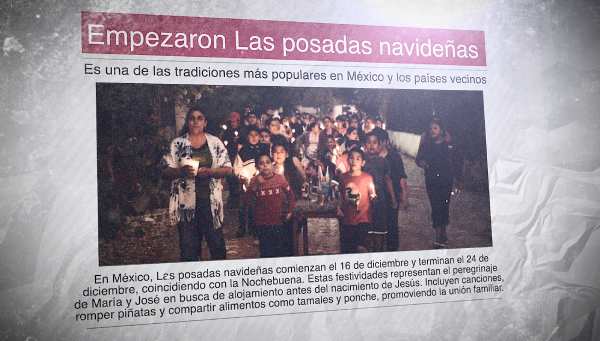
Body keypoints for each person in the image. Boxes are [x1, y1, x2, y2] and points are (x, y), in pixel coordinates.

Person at [163, 105, 232, 261]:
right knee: (188, 249)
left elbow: (228, 169)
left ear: (205, 122)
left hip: (210, 203)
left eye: (199, 118)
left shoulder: (215, 143)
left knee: (217, 246)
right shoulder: (177, 144)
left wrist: (211, 172)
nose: (195, 122)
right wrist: (182, 172)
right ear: (188, 122)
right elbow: (165, 170)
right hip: (185, 205)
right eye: (192, 118)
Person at [416, 117, 463, 248]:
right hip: (431, 180)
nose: (432, 131)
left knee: (444, 206)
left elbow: (457, 162)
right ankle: (438, 236)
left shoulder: (449, 146)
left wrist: (458, 180)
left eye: (435, 128)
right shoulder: (426, 144)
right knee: (436, 206)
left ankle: (443, 232)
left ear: (441, 130)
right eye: (430, 128)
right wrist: (422, 162)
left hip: (446, 180)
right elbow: (418, 159)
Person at [248, 153, 296, 257]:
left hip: (279, 222)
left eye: (268, 162)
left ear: (272, 165)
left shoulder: (279, 179)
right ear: (257, 167)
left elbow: (291, 195)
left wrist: (290, 211)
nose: (265, 165)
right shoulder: (254, 181)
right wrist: (256, 184)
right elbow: (248, 200)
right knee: (266, 252)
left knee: (280, 251)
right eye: (261, 163)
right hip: (262, 224)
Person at [373, 127, 408, 251]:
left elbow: (401, 177)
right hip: (376, 198)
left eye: (375, 142)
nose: (372, 145)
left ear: (383, 142)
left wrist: (404, 195)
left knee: (392, 224)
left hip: (391, 196)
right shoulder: (369, 158)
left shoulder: (394, 157)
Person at [337, 148, 376, 253]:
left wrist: (374, 200)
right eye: (351, 158)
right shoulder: (343, 177)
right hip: (347, 219)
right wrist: (339, 208)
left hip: (363, 219)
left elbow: (373, 196)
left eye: (358, 159)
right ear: (348, 160)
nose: (354, 161)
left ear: (363, 162)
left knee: (361, 248)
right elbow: (341, 195)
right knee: (348, 249)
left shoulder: (367, 178)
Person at [233, 127, 270, 237]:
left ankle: (257, 229)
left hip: (262, 182)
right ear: (247, 137)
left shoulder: (264, 149)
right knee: (243, 206)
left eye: (256, 135)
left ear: (259, 137)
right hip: (246, 183)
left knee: (259, 207)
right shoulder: (243, 151)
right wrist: (242, 177)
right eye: (251, 135)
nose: (254, 138)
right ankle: (242, 228)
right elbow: (237, 167)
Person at [364, 130, 397, 252]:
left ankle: (378, 253)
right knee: (367, 228)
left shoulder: (383, 162)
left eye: (374, 143)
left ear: (379, 145)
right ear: (365, 145)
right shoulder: (362, 161)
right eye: (369, 143)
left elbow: (388, 180)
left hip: (380, 200)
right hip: (365, 201)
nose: (371, 145)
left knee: (379, 228)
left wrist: (393, 198)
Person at [220, 111, 242, 209]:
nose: (233, 123)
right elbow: (224, 142)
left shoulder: (242, 131)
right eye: (232, 122)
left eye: (235, 122)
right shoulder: (227, 131)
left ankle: (237, 199)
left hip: (238, 157)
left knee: (237, 178)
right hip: (229, 156)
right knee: (230, 178)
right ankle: (233, 198)